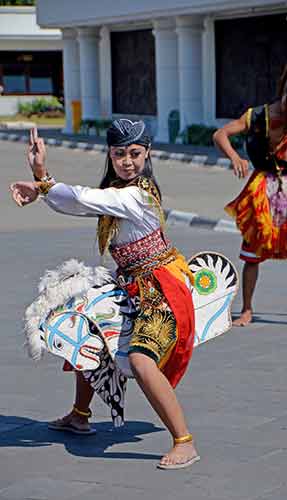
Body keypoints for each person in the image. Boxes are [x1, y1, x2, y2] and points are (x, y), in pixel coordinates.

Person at [10, 119, 200, 470]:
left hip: (160, 290)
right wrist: (42, 186)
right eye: (119, 154)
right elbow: (83, 203)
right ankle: (80, 415)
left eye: (135, 154)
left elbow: (86, 198)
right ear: (110, 155)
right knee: (85, 330)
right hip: (130, 283)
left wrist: (43, 178)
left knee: (141, 362)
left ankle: (183, 440)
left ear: (147, 154)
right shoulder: (118, 189)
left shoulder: (136, 194)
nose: (127, 161)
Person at [213, 49, 287, 327]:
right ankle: (247, 310)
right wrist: (235, 157)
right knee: (253, 255)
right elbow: (221, 134)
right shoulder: (257, 116)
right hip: (262, 190)